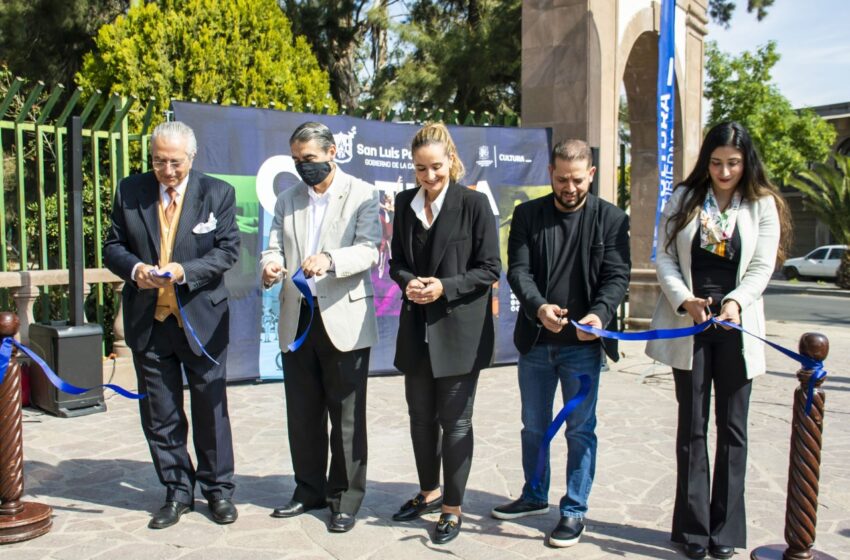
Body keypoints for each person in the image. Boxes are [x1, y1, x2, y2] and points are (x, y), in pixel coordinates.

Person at [646, 122, 791, 560]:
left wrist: (736, 303)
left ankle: (725, 533)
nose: (724, 172)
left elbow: (763, 266)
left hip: (736, 324)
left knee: (733, 429)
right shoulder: (684, 199)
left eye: (732, 163)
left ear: (746, 163)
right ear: (705, 162)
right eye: (715, 163)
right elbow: (666, 257)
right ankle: (692, 531)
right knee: (691, 427)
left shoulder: (761, 204)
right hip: (691, 321)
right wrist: (685, 299)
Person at [492, 139, 630, 548]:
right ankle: (535, 495)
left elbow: (617, 277)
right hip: (536, 341)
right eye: (560, 179)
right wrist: (539, 308)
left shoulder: (612, 219)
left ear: (591, 174)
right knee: (533, 425)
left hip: (583, 347)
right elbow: (517, 270)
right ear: (550, 173)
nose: (569, 188)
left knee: (580, 430)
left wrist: (600, 315)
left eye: (576, 179)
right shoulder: (528, 214)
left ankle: (573, 510)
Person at [104, 121, 240, 529]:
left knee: (210, 410)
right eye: (159, 161)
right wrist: (136, 269)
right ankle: (177, 490)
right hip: (150, 320)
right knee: (160, 414)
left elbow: (228, 249)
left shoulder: (217, 193)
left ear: (191, 158)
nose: (167, 170)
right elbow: (112, 246)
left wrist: (186, 270)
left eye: (175, 162)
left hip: (202, 319)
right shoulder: (131, 192)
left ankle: (217, 490)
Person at [259, 121, 380, 534]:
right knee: (303, 414)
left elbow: (368, 249)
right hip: (298, 320)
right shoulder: (287, 199)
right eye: (296, 160)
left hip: (344, 320)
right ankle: (308, 489)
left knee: (346, 418)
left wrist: (329, 259)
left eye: (308, 159)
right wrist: (271, 264)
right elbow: (273, 244)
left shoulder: (363, 194)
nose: (302, 167)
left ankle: (345, 499)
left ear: (332, 153)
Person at [388, 123, 501, 544]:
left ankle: (452, 508)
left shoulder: (473, 204)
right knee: (420, 419)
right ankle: (428, 491)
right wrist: (408, 282)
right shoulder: (403, 203)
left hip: (460, 332)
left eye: (436, 167)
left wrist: (443, 287)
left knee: (455, 423)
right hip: (416, 328)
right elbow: (395, 261)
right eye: (421, 169)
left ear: (451, 161)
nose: (429, 177)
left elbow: (491, 268)